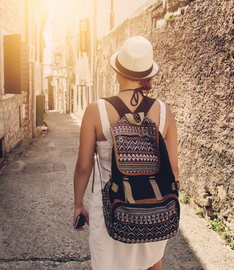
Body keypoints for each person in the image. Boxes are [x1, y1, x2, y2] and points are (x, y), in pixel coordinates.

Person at [73, 36, 179, 270]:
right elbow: (173, 171)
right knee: (152, 264)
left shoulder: (96, 110)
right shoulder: (164, 112)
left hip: (113, 210)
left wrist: (78, 204)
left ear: (117, 72)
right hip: (153, 209)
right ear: (148, 76)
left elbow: (83, 167)